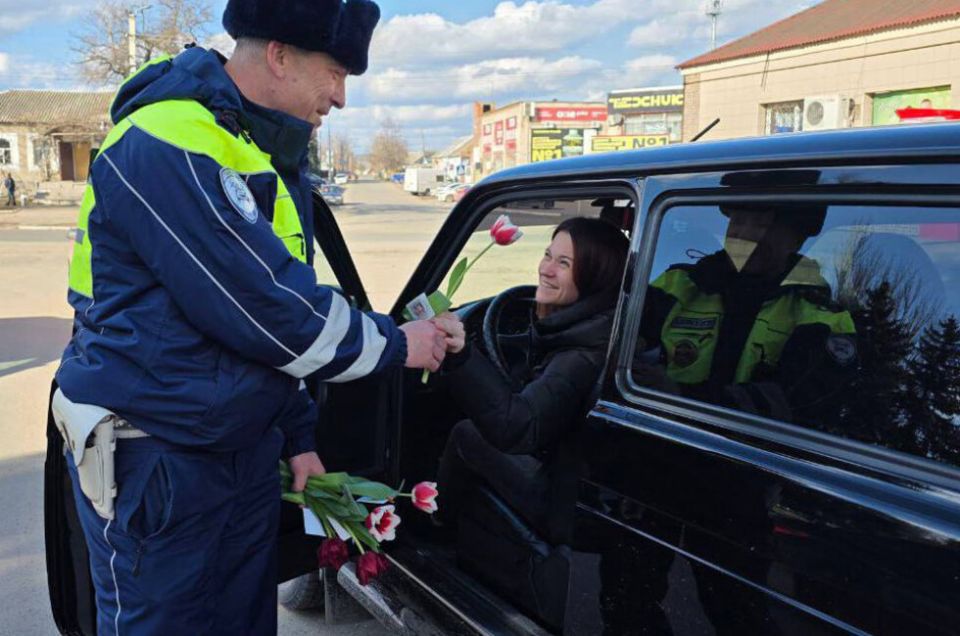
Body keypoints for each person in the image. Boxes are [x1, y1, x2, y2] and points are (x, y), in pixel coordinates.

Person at [53, 1, 453, 634]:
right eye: (336, 72)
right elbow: (273, 315)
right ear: (279, 54)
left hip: (232, 453)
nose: (341, 97)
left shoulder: (252, 147)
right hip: (157, 458)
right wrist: (398, 344)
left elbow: (258, 323)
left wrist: (297, 436)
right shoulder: (169, 141)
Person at [436, 217, 628, 540]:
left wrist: (462, 352)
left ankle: (435, 529)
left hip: (564, 501)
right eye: (547, 255)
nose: (546, 269)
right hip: (589, 485)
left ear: (595, 278)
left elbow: (516, 426)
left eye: (564, 263)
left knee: (465, 433)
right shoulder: (601, 328)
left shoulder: (583, 355)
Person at [636, 204, 857, 423]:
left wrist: (679, 397)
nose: (745, 235)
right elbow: (626, 345)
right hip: (652, 433)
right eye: (738, 222)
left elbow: (797, 402)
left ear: (796, 240)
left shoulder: (824, 318)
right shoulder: (675, 285)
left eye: (763, 225)